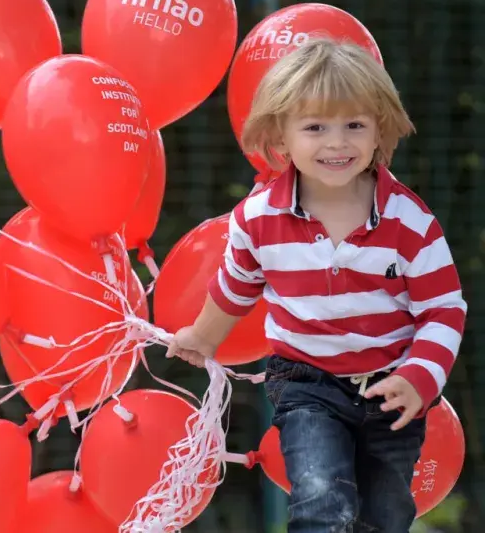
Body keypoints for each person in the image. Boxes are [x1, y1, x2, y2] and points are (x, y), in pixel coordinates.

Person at [165, 37, 467, 532]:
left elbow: (443, 309)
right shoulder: (258, 219)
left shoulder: (409, 221)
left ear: (378, 130)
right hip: (307, 383)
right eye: (315, 127)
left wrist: (419, 378)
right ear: (281, 137)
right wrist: (203, 337)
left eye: (354, 125)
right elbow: (235, 287)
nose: (337, 142)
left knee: (387, 514)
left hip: (390, 383)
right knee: (321, 500)